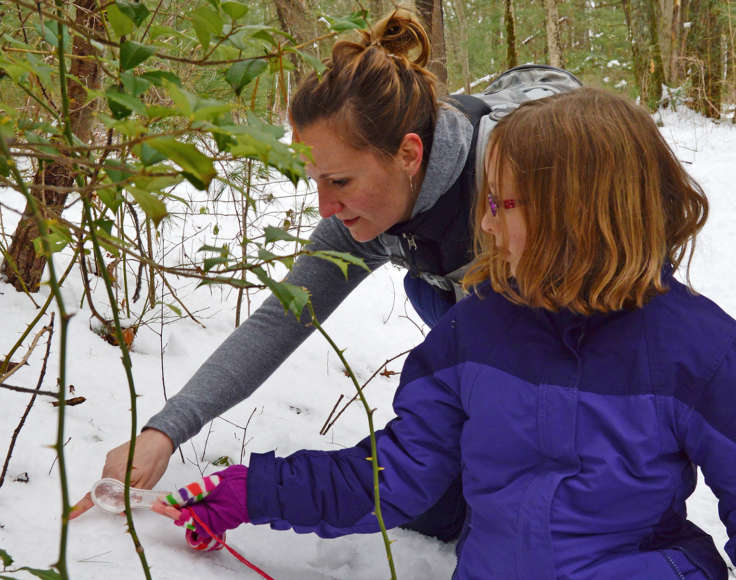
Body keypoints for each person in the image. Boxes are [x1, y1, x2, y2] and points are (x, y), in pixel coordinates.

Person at [149, 88, 736, 579]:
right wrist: (253, 491)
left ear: (576, 215)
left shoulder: (700, 351)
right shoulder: (475, 331)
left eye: (503, 204)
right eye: (484, 203)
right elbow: (395, 476)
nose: (484, 223)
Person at [71, 9, 498, 540]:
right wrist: (165, 429)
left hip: (553, 322)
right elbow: (281, 321)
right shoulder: (364, 211)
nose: (324, 207)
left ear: (409, 154)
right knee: (434, 507)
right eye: (314, 180)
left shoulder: (510, 199)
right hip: (465, 304)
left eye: (339, 180)